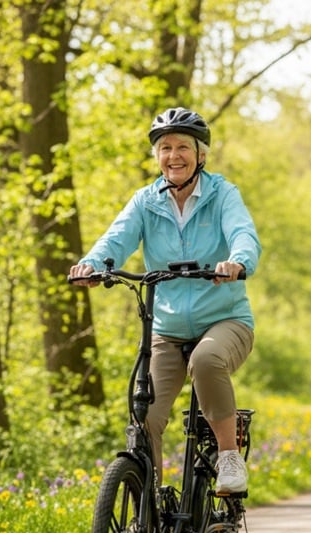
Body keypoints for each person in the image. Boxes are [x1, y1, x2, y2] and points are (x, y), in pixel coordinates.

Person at [68, 107, 261, 494]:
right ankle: (149, 503)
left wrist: (238, 262)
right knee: (146, 416)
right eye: (166, 147)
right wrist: (92, 265)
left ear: (201, 154)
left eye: (183, 147)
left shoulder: (223, 193)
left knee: (205, 360)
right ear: (157, 156)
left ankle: (229, 459)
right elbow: (116, 239)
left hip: (224, 320)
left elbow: (243, 233)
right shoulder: (145, 201)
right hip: (167, 328)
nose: (174, 155)